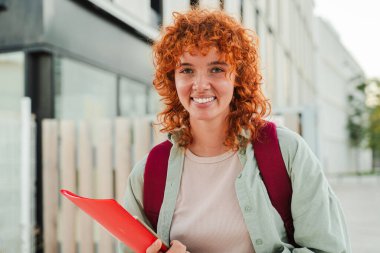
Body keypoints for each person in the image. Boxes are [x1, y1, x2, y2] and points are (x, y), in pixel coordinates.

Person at [119, 9, 351, 253]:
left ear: (238, 77)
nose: (200, 85)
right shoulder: (149, 172)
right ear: (172, 79)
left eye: (216, 69)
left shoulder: (286, 152)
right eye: (186, 70)